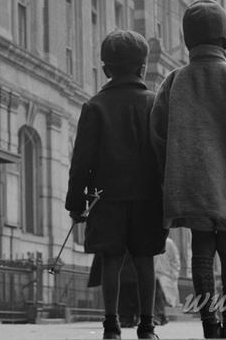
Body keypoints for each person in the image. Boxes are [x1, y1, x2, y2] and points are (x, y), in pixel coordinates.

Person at [151, 0, 226, 340]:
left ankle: (210, 327)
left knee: (201, 251)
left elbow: (157, 136)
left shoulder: (174, 82)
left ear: (188, 41)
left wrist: (171, 175)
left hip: (190, 185)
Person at [66, 29, 167, 340]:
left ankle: (111, 326)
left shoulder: (94, 107)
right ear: (142, 68)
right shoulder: (155, 103)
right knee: (144, 259)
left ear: (106, 69)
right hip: (148, 199)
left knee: (111, 259)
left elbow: (81, 160)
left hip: (105, 197)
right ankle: (147, 327)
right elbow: (165, 153)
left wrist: (76, 203)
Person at [154, 235, 181, 325]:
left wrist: (174, 274)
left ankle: (159, 315)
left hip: (166, 275)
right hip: (153, 273)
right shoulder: (150, 241)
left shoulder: (169, 243)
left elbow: (175, 259)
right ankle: (160, 316)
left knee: (160, 292)